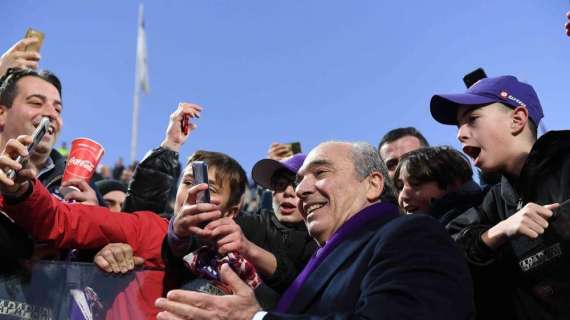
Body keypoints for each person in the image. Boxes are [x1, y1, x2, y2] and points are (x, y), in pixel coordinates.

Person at [155, 141, 475, 320]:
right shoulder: (325, 256)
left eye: (320, 173)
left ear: (374, 184)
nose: (301, 190)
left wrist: (254, 319)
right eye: (296, 182)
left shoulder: (412, 236)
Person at [431, 75, 570, 319]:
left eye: (472, 119)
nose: (460, 134)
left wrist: (554, 220)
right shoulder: (493, 203)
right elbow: (446, 254)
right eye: (458, 126)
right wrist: (498, 233)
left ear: (517, 120)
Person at [251, 153, 318, 273]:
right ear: (272, 193)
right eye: (280, 184)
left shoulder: (323, 245)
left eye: (297, 184)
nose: (287, 192)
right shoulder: (251, 226)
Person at [394, 146, 484, 225]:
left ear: (453, 182)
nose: (403, 196)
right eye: (400, 187)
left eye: (416, 183)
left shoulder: (480, 217)